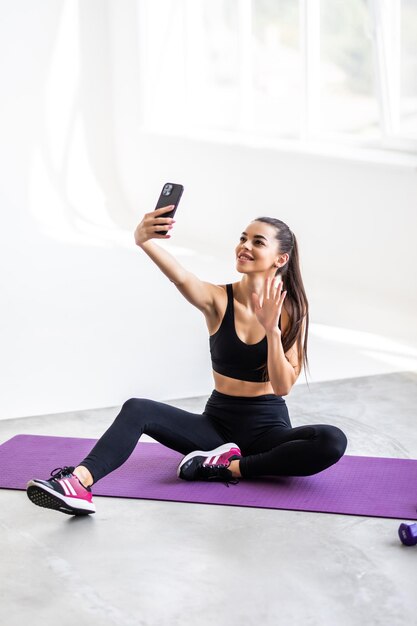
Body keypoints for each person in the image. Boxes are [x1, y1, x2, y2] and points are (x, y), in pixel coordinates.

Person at [26, 205, 348, 516]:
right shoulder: (217, 299)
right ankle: (77, 484)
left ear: (281, 258)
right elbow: (181, 277)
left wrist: (272, 331)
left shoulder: (291, 311)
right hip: (215, 430)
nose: (244, 246)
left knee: (332, 440)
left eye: (257, 242)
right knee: (137, 408)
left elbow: (282, 386)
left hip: (267, 432)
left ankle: (226, 467)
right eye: (242, 238)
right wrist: (144, 241)